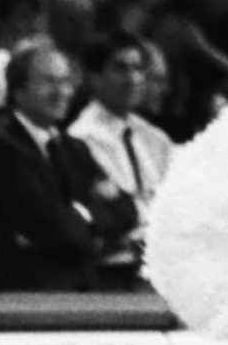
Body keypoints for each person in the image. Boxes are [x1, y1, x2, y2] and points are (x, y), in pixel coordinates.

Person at [0, 38, 139, 292]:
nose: (61, 92)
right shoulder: (0, 149)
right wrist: (93, 214)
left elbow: (126, 210)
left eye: (65, 82)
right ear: (18, 90)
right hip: (23, 302)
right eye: (49, 82)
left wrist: (80, 217)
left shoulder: (73, 148)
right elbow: (51, 227)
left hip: (81, 294)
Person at [68, 33, 175, 275]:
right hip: (115, 268)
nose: (132, 78)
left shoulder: (155, 139)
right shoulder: (78, 140)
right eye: (120, 68)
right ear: (94, 77)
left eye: (138, 68)